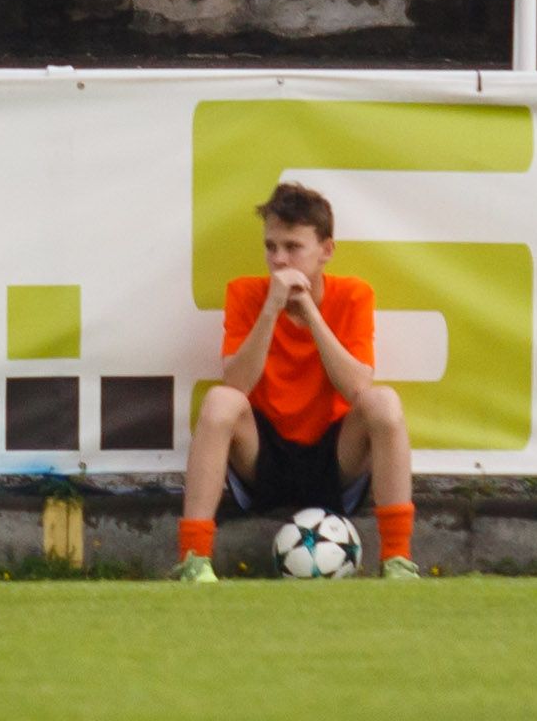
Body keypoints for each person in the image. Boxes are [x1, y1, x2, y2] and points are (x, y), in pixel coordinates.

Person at [179, 181, 418, 584]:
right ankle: (193, 558)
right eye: (271, 247)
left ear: (326, 250)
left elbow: (358, 387)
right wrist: (271, 310)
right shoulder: (246, 293)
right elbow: (237, 383)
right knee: (220, 401)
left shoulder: (353, 295)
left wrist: (311, 314)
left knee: (384, 403)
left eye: (292, 247)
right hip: (263, 456)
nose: (278, 259)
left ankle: (397, 558)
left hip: (334, 457)